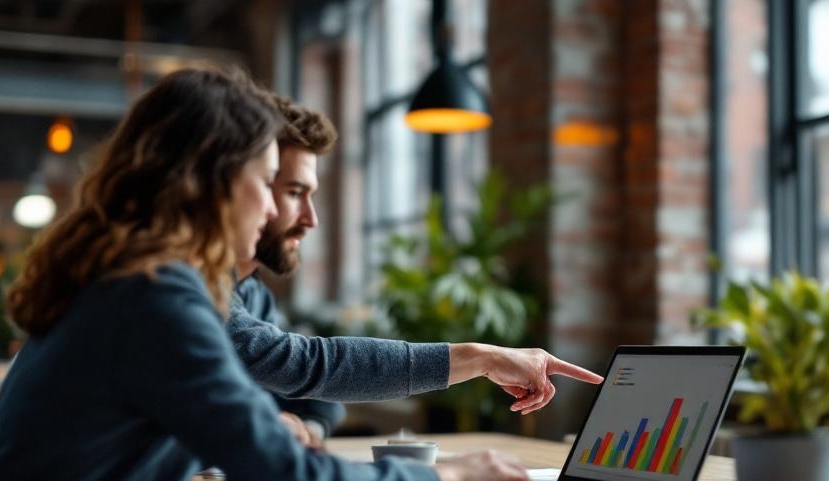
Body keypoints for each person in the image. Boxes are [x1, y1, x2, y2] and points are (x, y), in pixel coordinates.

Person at [0, 69, 598, 481]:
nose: (272, 211)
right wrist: (454, 476)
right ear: (208, 180)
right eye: (268, 182)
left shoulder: (123, 278)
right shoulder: (155, 296)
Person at [230, 96, 603, 447]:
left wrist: (302, 429)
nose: (311, 219)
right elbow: (304, 366)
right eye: (293, 192)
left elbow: (318, 393)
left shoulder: (253, 294)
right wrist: (481, 358)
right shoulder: (193, 288)